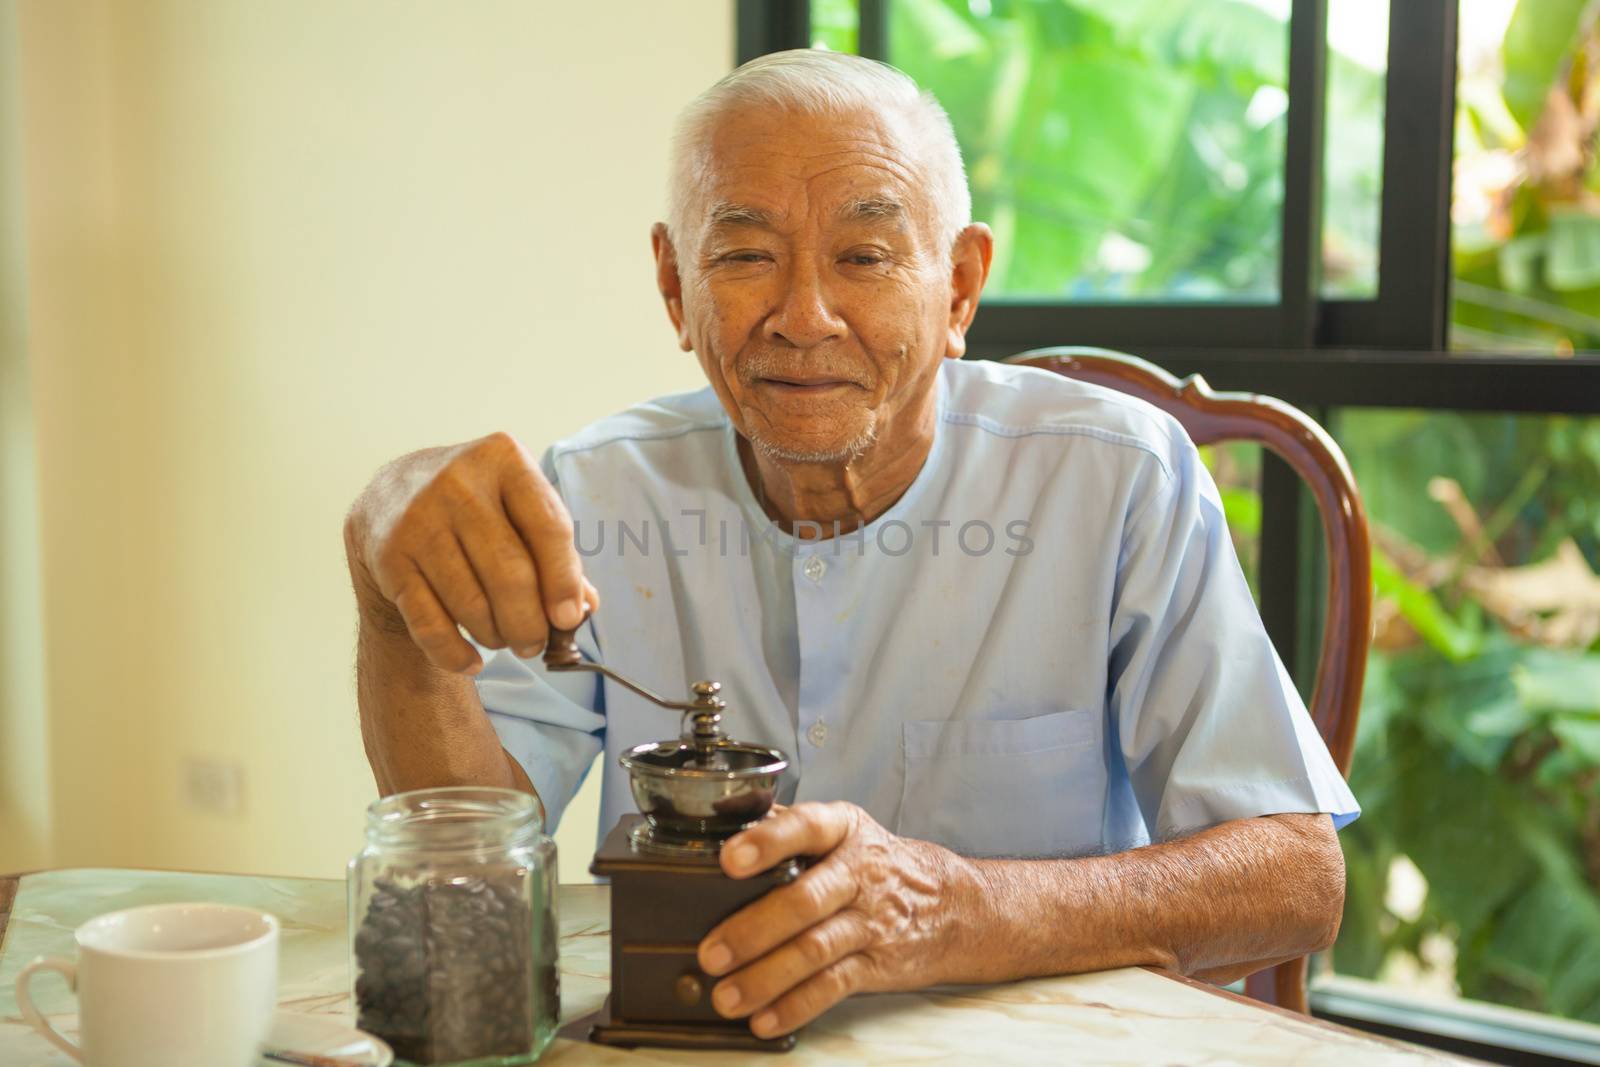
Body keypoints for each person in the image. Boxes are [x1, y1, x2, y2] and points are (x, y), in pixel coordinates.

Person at [344, 49, 1358, 1040]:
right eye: (744, 255)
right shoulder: (599, 489)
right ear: (672, 283)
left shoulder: (1118, 477)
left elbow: (1294, 877)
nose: (803, 316)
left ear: (958, 287)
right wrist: (388, 600)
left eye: (864, 257)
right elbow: (470, 855)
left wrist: (963, 906)